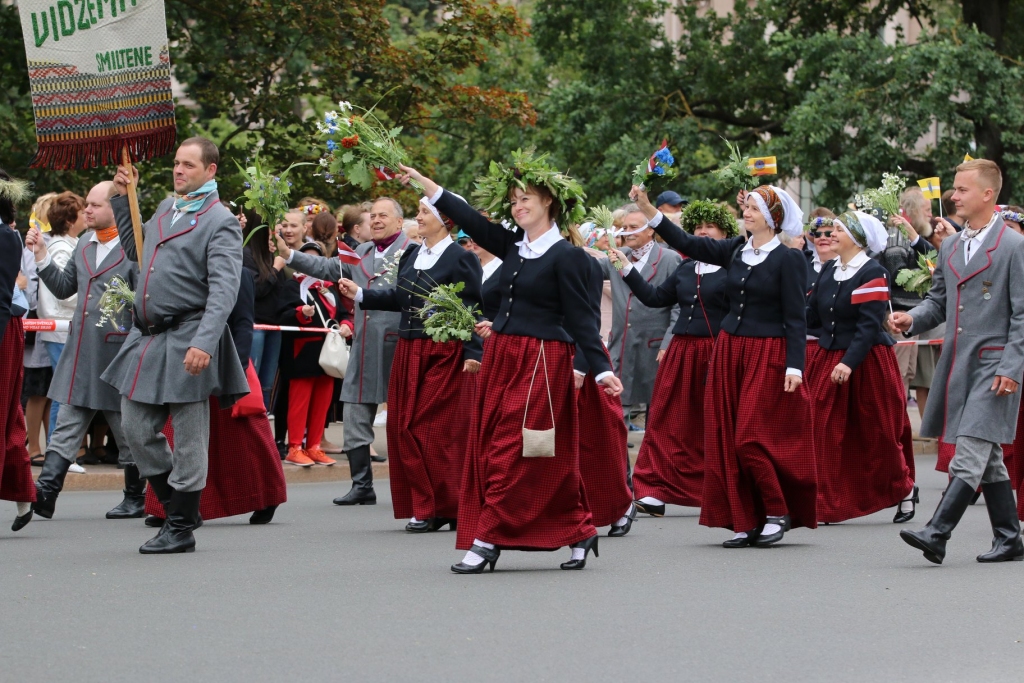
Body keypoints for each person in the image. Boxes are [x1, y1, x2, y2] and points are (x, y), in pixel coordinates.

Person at [398, 155, 623, 573]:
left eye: (528, 200)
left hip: (542, 361)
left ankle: (486, 541)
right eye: (515, 201)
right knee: (506, 450)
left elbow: (582, 321)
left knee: (513, 451)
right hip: (503, 357)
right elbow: (465, 213)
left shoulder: (568, 257)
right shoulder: (511, 246)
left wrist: (602, 370)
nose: (519, 207)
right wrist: (425, 183)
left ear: (550, 203)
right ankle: (578, 528)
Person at [633, 183, 816, 548]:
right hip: (730, 350)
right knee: (726, 437)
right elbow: (688, 244)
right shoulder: (735, 249)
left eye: (753, 209)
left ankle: (777, 510)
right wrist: (648, 208)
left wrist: (795, 366)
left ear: (771, 218)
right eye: (746, 208)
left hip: (768, 354)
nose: (745, 214)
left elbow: (796, 318)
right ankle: (745, 519)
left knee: (749, 435)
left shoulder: (788, 258)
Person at [103, 137, 249, 554]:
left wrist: (205, 342)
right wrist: (122, 196)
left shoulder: (218, 219)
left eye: (188, 164)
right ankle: (177, 508)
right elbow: (137, 251)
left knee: (188, 439)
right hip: (149, 338)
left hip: (190, 337)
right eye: (176, 163)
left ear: (211, 171)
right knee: (133, 426)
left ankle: (181, 526)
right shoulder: (168, 208)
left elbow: (224, 289)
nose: (179, 170)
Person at [892, 159, 1024, 565]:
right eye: (954, 188)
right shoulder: (950, 244)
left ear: (988, 194)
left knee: (969, 449)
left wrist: (1011, 367)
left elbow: (1022, 314)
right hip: (959, 362)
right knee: (990, 457)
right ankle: (1010, 538)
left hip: (994, 364)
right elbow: (939, 302)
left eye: (963, 189)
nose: (953, 195)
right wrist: (912, 318)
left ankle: (938, 531)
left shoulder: (1014, 246)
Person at [338, 194, 483, 532]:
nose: (417, 217)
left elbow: (474, 308)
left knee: (430, 429)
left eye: (423, 212)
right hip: (409, 350)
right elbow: (401, 298)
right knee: (403, 428)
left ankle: (443, 504)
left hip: (444, 352)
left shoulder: (462, 258)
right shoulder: (412, 254)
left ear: (445, 219)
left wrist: (473, 353)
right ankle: (430, 504)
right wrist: (360, 295)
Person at [276, 197, 413, 506]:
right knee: (353, 410)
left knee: (406, 418)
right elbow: (325, 266)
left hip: (401, 343)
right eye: (373, 215)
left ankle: (412, 485)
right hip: (364, 344)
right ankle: (361, 484)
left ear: (400, 222)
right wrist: (290, 255)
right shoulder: (361, 252)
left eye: (383, 215)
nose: (376, 220)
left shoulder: (413, 253)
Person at [27, 182, 145, 520]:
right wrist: (41, 257)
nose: (87, 211)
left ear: (116, 208)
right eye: (87, 205)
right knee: (67, 423)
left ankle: (137, 495)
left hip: (117, 355)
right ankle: (46, 493)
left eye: (95, 205)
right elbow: (66, 288)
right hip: (80, 352)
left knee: (127, 432)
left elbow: (145, 302)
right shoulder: (83, 245)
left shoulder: (134, 248)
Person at [610, 200, 734, 516]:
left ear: (724, 233)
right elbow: (653, 298)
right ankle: (655, 490)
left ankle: (720, 487)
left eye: (710, 228)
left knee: (714, 423)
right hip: (682, 351)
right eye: (697, 228)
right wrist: (626, 267)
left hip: (717, 351)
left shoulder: (735, 267)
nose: (703, 233)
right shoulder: (686, 267)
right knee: (666, 421)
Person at [144, 268, 287, 525]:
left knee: (247, 435)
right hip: (185, 358)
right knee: (179, 434)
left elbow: (243, 321)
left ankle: (267, 495)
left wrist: (238, 370)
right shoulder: (179, 266)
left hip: (224, 363)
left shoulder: (237, 271)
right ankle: (170, 505)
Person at [805, 211, 916, 524]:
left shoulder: (873, 272)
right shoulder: (828, 270)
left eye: (838, 229)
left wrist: (848, 363)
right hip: (828, 357)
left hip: (866, 362)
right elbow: (812, 315)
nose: (830, 235)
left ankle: (903, 488)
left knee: (878, 432)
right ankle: (825, 500)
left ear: (856, 236)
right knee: (820, 428)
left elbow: (868, 326)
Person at [599, 204, 681, 431]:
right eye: (624, 227)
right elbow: (588, 268)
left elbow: (678, 306)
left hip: (655, 349)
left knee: (658, 414)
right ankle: (619, 467)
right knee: (616, 410)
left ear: (650, 230)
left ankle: (653, 466)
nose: (628, 232)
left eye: (634, 227)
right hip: (622, 346)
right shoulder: (618, 256)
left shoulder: (669, 259)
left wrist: (668, 343)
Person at [576, 250, 635, 536]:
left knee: (600, 440)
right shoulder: (520, 259)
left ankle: (620, 504)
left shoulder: (583, 262)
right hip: (542, 357)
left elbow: (589, 319)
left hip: (582, 357)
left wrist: (580, 365)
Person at [277, 243, 349, 467]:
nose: (309, 265)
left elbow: (345, 313)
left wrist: (347, 325)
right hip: (302, 354)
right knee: (299, 403)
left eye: (314, 260)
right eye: (305, 259)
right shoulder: (292, 286)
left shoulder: (329, 289)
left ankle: (314, 446)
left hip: (328, 354)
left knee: (323, 402)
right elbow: (281, 315)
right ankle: (295, 446)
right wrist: (301, 313)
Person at [0, 169, 36, 532]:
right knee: (9, 418)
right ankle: (25, 495)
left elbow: (1, 295)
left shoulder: (5, 236)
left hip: (3, 330)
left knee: (4, 414)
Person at [37, 191, 86, 438]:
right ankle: (59, 450)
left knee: (65, 389)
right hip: (60, 328)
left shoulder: (71, 244)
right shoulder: (60, 247)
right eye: (81, 212)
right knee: (64, 391)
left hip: (63, 328)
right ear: (69, 220)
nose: (87, 215)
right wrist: (95, 294)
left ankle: (62, 451)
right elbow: (64, 293)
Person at [242, 216, 286, 412]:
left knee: (267, 383)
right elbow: (256, 291)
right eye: (271, 227)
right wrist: (275, 268)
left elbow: (281, 290)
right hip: (255, 326)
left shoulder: (272, 254)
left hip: (275, 326)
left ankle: (265, 431)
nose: (276, 232)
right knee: (252, 381)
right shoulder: (246, 254)